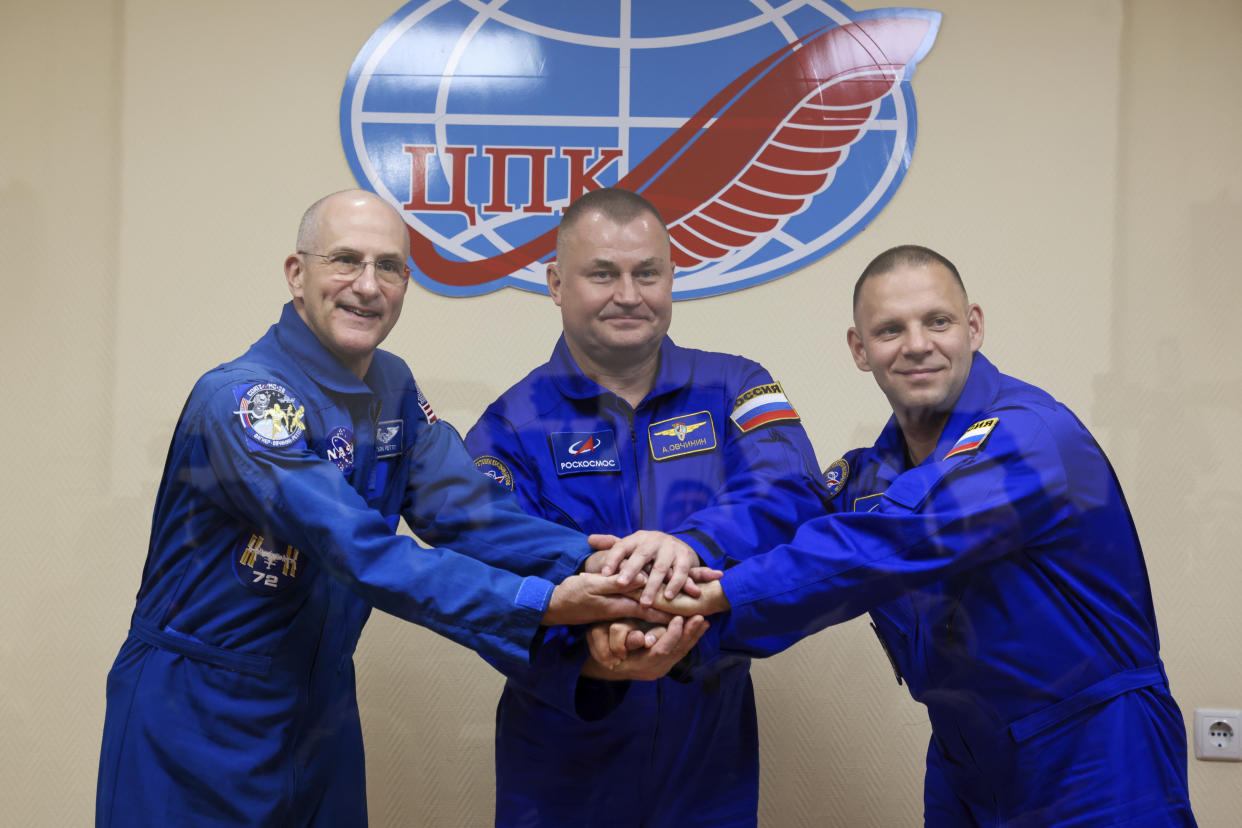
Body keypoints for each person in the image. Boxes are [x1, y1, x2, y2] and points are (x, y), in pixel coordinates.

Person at [96, 190, 664, 828]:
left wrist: (605, 565)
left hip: (322, 708)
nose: (367, 286)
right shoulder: (243, 400)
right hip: (196, 715)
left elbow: (468, 511)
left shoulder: (390, 386)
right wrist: (541, 604)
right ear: (296, 273)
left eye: (389, 266)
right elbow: (358, 549)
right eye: (345, 260)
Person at [631, 245, 1196, 826]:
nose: (918, 344)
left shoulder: (1032, 438)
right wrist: (686, 561)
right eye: (890, 329)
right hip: (963, 761)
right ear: (860, 349)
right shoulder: (873, 473)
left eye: (938, 321)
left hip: (1095, 750)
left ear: (973, 327)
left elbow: (891, 542)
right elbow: (793, 524)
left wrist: (719, 597)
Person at [463, 188, 826, 827]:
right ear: (555, 282)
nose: (628, 294)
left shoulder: (735, 386)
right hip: (559, 747)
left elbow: (790, 488)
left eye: (646, 273)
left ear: (671, 276)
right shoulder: (510, 427)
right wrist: (590, 652)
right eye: (602, 273)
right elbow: (484, 569)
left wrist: (694, 543)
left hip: (707, 740)